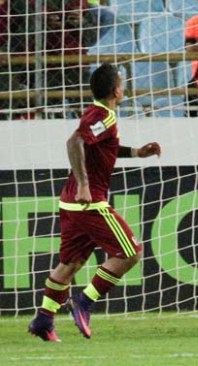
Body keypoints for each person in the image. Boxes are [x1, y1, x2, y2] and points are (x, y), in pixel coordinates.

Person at [27, 63, 162, 342]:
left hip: (70, 202)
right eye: (122, 83)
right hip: (88, 202)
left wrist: (137, 152)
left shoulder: (100, 116)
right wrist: (86, 185)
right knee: (131, 252)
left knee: (71, 264)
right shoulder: (104, 116)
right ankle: (84, 302)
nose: (123, 87)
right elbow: (74, 141)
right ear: (116, 90)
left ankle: (43, 319)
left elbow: (101, 147)